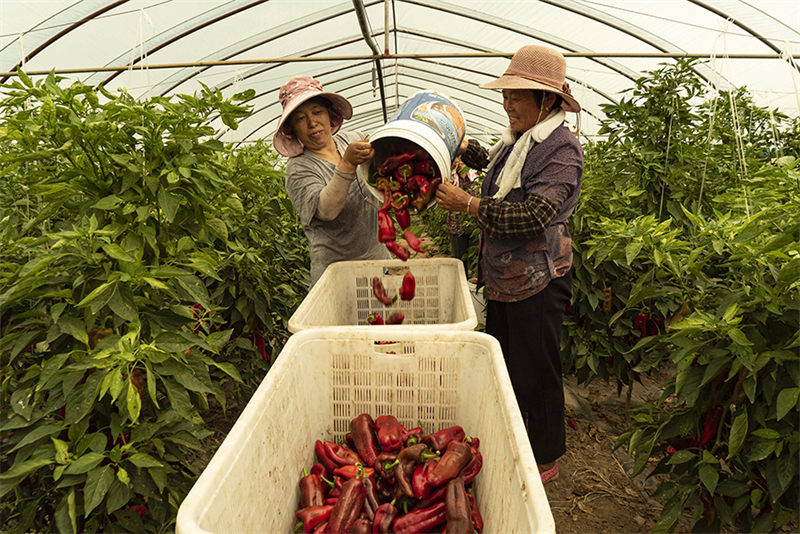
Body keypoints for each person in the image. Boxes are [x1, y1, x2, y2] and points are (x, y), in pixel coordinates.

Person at [435, 45, 583, 483]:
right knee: (509, 363)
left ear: (548, 101)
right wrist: (462, 152)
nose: (508, 103)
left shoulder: (561, 150)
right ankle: (515, 440)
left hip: (538, 279)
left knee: (536, 366)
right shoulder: (517, 141)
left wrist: (469, 204)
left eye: (518, 95)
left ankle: (544, 459)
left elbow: (533, 215)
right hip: (506, 276)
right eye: (507, 94)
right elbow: (498, 177)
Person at [273, 76, 389, 287]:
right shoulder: (299, 169)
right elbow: (326, 210)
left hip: (378, 261)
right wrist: (347, 164)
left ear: (329, 114)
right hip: (336, 275)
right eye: (300, 118)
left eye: (317, 112)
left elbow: (391, 154)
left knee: (383, 318)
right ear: (292, 129)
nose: (312, 123)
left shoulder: (352, 139)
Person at [445, 157, 481, 278]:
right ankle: (462, 284)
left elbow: (478, 195)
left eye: (461, 160)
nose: (459, 163)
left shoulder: (474, 174)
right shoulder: (449, 176)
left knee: (477, 259)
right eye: (456, 161)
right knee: (459, 261)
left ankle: (475, 285)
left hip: (474, 224)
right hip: (456, 225)